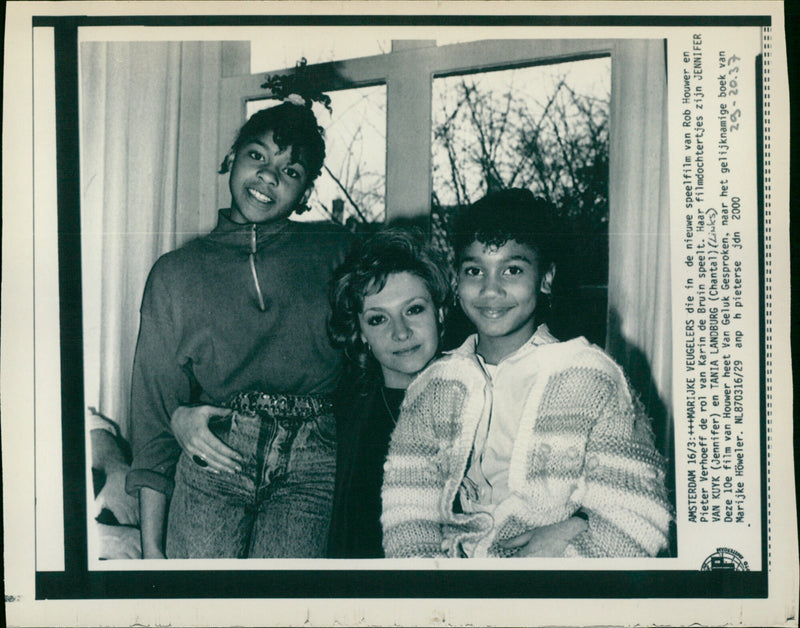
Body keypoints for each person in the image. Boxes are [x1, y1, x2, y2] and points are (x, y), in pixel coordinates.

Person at [381, 188, 673, 558]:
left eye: (512, 270)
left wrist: (557, 568)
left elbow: (636, 517)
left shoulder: (590, 379)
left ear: (546, 278)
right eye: (474, 270)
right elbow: (406, 514)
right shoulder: (432, 388)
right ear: (456, 281)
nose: (490, 289)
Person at [126, 97, 352, 559]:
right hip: (215, 455)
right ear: (231, 157)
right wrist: (152, 550)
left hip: (313, 465)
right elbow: (153, 415)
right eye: (258, 156)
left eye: (291, 171)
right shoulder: (175, 274)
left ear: (306, 193)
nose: (269, 175)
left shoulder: (336, 253)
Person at [326, 228, 451, 558]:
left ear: (440, 313)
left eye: (413, 310)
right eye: (379, 319)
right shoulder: (344, 412)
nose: (400, 332)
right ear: (361, 331)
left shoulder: (476, 397)